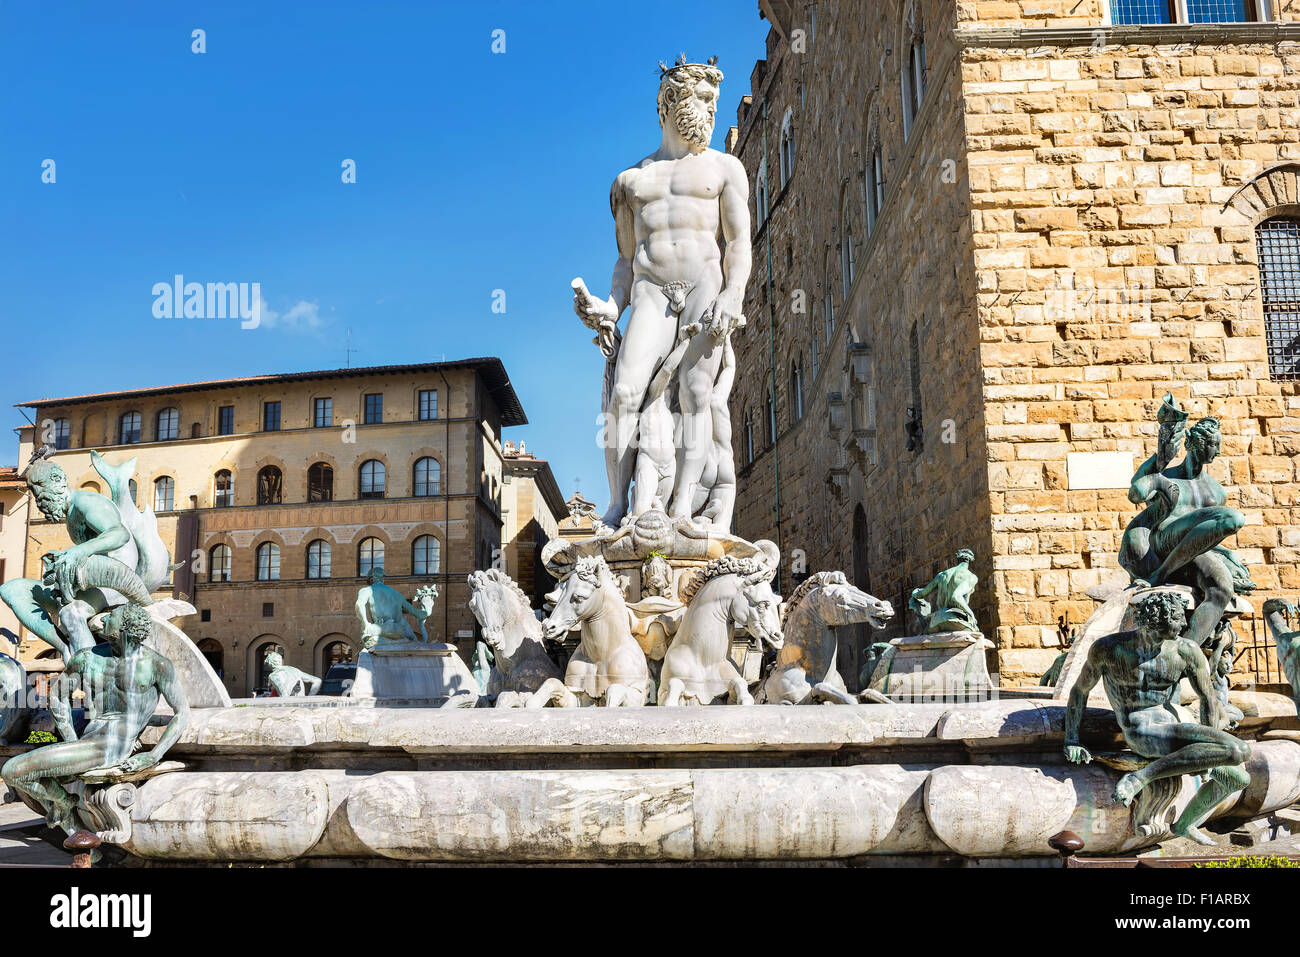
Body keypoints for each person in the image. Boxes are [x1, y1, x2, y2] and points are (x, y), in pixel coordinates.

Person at [1063, 591, 1250, 845]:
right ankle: (1140, 778)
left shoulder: (1185, 651)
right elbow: (1079, 691)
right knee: (1237, 750)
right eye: (1176, 619)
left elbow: (1209, 699)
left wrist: (1207, 753)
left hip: (1172, 725)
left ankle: (1184, 824)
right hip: (1141, 730)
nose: (1184, 625)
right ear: (1152, 622)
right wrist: (1071, 739)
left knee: (1240, 778)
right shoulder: (1109, 649)